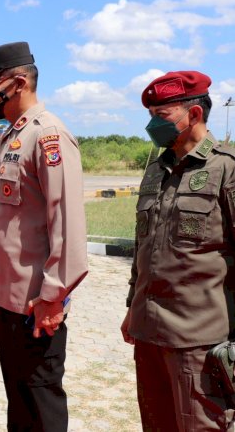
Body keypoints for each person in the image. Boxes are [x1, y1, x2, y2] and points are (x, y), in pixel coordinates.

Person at [0, 41, 88, 431]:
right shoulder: (15, 133)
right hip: (7, 297)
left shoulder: (49, 136)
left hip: (35, 302)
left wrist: (53, 295)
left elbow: (67, 224)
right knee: (19, 396)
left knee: (40, 397)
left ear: (19, 82)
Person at [121, 71, 235, 431]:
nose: (152, 123)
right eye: (151, 114)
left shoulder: (225, 168)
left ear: (195, 115)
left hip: (198, 342)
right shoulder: (155, 170)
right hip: (148, 333)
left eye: (162, 115)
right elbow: (144, 247)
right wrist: (132, 308)